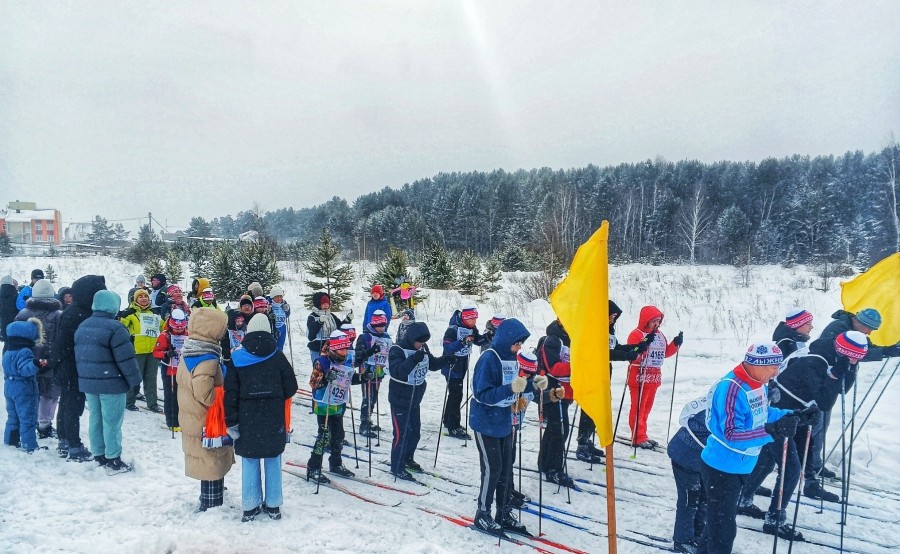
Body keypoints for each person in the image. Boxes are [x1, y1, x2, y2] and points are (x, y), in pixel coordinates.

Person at [698, 341, 796, 554]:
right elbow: (731, 434)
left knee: (716, 527)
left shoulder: (758, 383)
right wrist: (772, 431)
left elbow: (764, 414)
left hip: (741, 465)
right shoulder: (732, 388)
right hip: (721, 468)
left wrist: (793, 415)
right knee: (723, 533)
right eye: (773, 367)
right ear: (758, 365)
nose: (776, 373)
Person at [470, 317, 543, 536]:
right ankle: (482, 513)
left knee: (505, 470)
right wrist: (511, 388)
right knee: (492, 469)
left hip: (505, 422)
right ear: (506, 339)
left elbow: (520, 385)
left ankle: (503, 512)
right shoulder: (489, 358)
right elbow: (481, 394)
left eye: (521, 343)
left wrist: (535, 385)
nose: (519, 347)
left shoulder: (513, 359)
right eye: (516, 343)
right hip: (486, 422)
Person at [224, 313, 298, 522]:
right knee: (273, 459)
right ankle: (273, 505)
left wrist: (232, 421)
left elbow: (230, 394)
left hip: (247, 418)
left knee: (250, 460)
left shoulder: (237, 357)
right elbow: (291, 387)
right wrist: (274, 395)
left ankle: (250, 506)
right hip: (273, 416)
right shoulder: (277, 356)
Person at [576, 300, 651, 463]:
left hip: (604, 375)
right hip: (592, 373)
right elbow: (603, 353)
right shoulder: (595, 330)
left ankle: (588, 441)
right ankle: (582, 444)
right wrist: (626, 356)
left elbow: (615, 348)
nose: (612, 319)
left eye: (615, 317)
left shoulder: (609, 331)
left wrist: (638, 347)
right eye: (611, 316)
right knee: (589, 409)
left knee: (598, 411)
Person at [74, 290, 141, 473]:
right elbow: (126, 359)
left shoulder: (83, 325)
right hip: (112, 383)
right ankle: (113, 458)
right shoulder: (116, 328)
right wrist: (135, 380)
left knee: (95, 418)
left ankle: (99, 454)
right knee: (112, 422)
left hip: (90, 383)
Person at [176, 307, 234, 512]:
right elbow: (205, 395)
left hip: (192, 416)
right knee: (211, 458)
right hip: (205, 419)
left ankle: (211, 493)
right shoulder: (207, 358)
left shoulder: (191, 350)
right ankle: (212, 502)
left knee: (207, 458)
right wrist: (225, 394)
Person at [50, 274, 106, 461]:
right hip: (73, 367)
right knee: (73, 406)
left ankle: (64, 440)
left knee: (67, 404)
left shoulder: (75, 310)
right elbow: (65, 343)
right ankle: (73, 446)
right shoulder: (79, 313)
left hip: (69, 366)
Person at [387, 321, 449, 480]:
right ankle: (397, 466)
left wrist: (447, 359)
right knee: (402, 435)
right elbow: (397, 371)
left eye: (423, 342)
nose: (421, 345)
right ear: (411, 338)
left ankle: (408, 458)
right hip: (400, 399)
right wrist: (413, 359)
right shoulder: (397, 349)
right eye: (419, 342)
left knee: (414, 433)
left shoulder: (422, 348)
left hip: (415, 399)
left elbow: (432, 364)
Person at [305, 330, 368, 483]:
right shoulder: (322, 361)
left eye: (346, 348)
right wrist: (326, 378)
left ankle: (336, 463)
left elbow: (348, 378)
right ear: (334, 348)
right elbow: (313, 383)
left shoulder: (346, 360)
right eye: (342, 349)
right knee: (324, 436)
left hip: (338, 403)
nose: (345, 352)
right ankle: (313, 467)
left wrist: (362, 378)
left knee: (338, 435)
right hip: (324, 404)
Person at [627, 305, 683, 449]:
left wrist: (675, 344)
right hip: (639, 378)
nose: (656, 324)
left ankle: (642, 434)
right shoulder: (636, 334)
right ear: (646, 321)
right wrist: (644, 345)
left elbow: (665, 353)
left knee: (646, 409)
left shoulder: (659, 335)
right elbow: (632, 354)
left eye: (658, 321)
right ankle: (637, 436)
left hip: (653, 378)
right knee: (638, 408)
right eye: (653, 321)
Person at [15, 279, 63, 439]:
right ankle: (44, 424)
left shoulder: (23, 314)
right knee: (50, 394)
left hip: (28, 360)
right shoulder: (58, 315)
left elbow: (15, 337)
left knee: (30, 392)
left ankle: (29, 422)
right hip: (50, 360)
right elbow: (61, 339)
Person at [667, 400, 712, 554]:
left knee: (704, 496)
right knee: (690, 499)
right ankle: (682, 540)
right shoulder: (723, 410)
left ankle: (697, 533)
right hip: (685, 455)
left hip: (701, 459)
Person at [536, 319, 575, 487]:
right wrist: (578, 366)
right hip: (551, 390)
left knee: (554, 429)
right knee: (560, 430)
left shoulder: (571, 338)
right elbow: (554, 368)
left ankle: (544, 463)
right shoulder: (552, 340)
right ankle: (553, 469)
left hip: (565, 391)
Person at [441, 304, 487, 440]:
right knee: (456, 395)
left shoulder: (471, 328)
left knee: (454, 395)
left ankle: (448, 421)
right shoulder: (453, 329)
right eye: (472, 319)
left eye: (475, 319)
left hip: (462, 365)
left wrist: (488, 336)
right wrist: (462, 342)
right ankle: (453, 426)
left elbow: (478, 340)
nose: (474, 321)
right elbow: (447, 347)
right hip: (451, 365)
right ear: (465, 318)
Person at [3, 319, 44, 453]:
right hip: (24, 388)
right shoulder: (25, 351)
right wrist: (36, 364)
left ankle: (11, 440)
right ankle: (29, 445)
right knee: (28, 417)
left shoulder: (8, 351)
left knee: (13, 416)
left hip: (10, 386)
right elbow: (25, 370)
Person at [119, 289, 163, 413]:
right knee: (134, 377)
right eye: (140, 297)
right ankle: (129, 402)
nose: (144, 298)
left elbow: (163, 327)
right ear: (135, 299)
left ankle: (152, 403)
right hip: (137, 351)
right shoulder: (131, 314)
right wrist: (122, 315)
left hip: (152, 351)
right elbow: (120, 326)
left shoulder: (154, 314)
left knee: (151, 379)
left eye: (146, 296)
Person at [355, 309, 391, 438]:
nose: (381, 328)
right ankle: (363, 424)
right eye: (378, 326)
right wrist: (370, 351)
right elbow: (358, 357)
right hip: (366, 372)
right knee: (367, 398)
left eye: (383, 326)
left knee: (374, 398)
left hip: (379, 372)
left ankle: (368, 419)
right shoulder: (365, 337)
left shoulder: (386, 337)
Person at [153, 308, 190, 431]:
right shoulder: (165, 336)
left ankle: (184, 419)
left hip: (184, 370)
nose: (178, 330)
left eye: (181, 328)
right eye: (176, 328)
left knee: (184, 396)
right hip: (170, 370)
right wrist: (166, 353)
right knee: (171, 397)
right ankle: (172, 422)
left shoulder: (188, 335)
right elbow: (156, 352)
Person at [306, 292, 350, 365]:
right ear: (318, 304)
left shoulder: (331, 315)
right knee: (319, 368)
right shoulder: (312, 316)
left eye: (327, 303)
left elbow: (340, 328)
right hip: (317, 349)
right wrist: (319, 322)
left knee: (331, 368)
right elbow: (311, 336)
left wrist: (347, 319)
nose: (326, 305)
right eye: (323, 303)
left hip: (331, 349)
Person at [268, 285, 291, 353]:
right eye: (276, 296)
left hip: (282, 327)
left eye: (280, 296)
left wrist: (287, 310)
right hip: (272, 328)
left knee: (280, 347)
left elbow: (287, 315)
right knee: (272, 347)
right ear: (272, 297)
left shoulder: (284, 303)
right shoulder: (269, 304)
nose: (279, 298)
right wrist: (268, 311)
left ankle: (279, 357)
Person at [1, 275, 21, 351]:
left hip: (3, 325)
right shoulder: (15, 295)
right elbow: (19, 308)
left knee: (6, 345)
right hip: (14, 324)